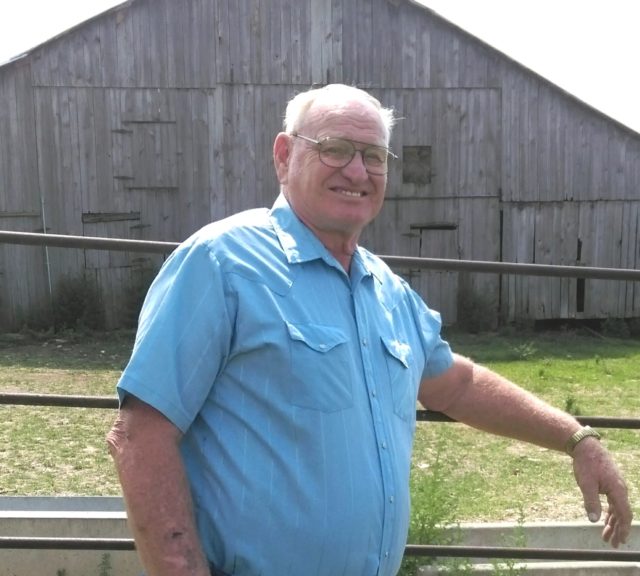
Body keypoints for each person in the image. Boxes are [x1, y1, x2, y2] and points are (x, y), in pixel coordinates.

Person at [107, 83, 632, 576]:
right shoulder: (222, 263)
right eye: (335, 149)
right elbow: (141, 435)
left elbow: (459, 385)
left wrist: (577, 438)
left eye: (374, 156)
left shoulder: (386, 289)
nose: (357, 171)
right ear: (285, 156)